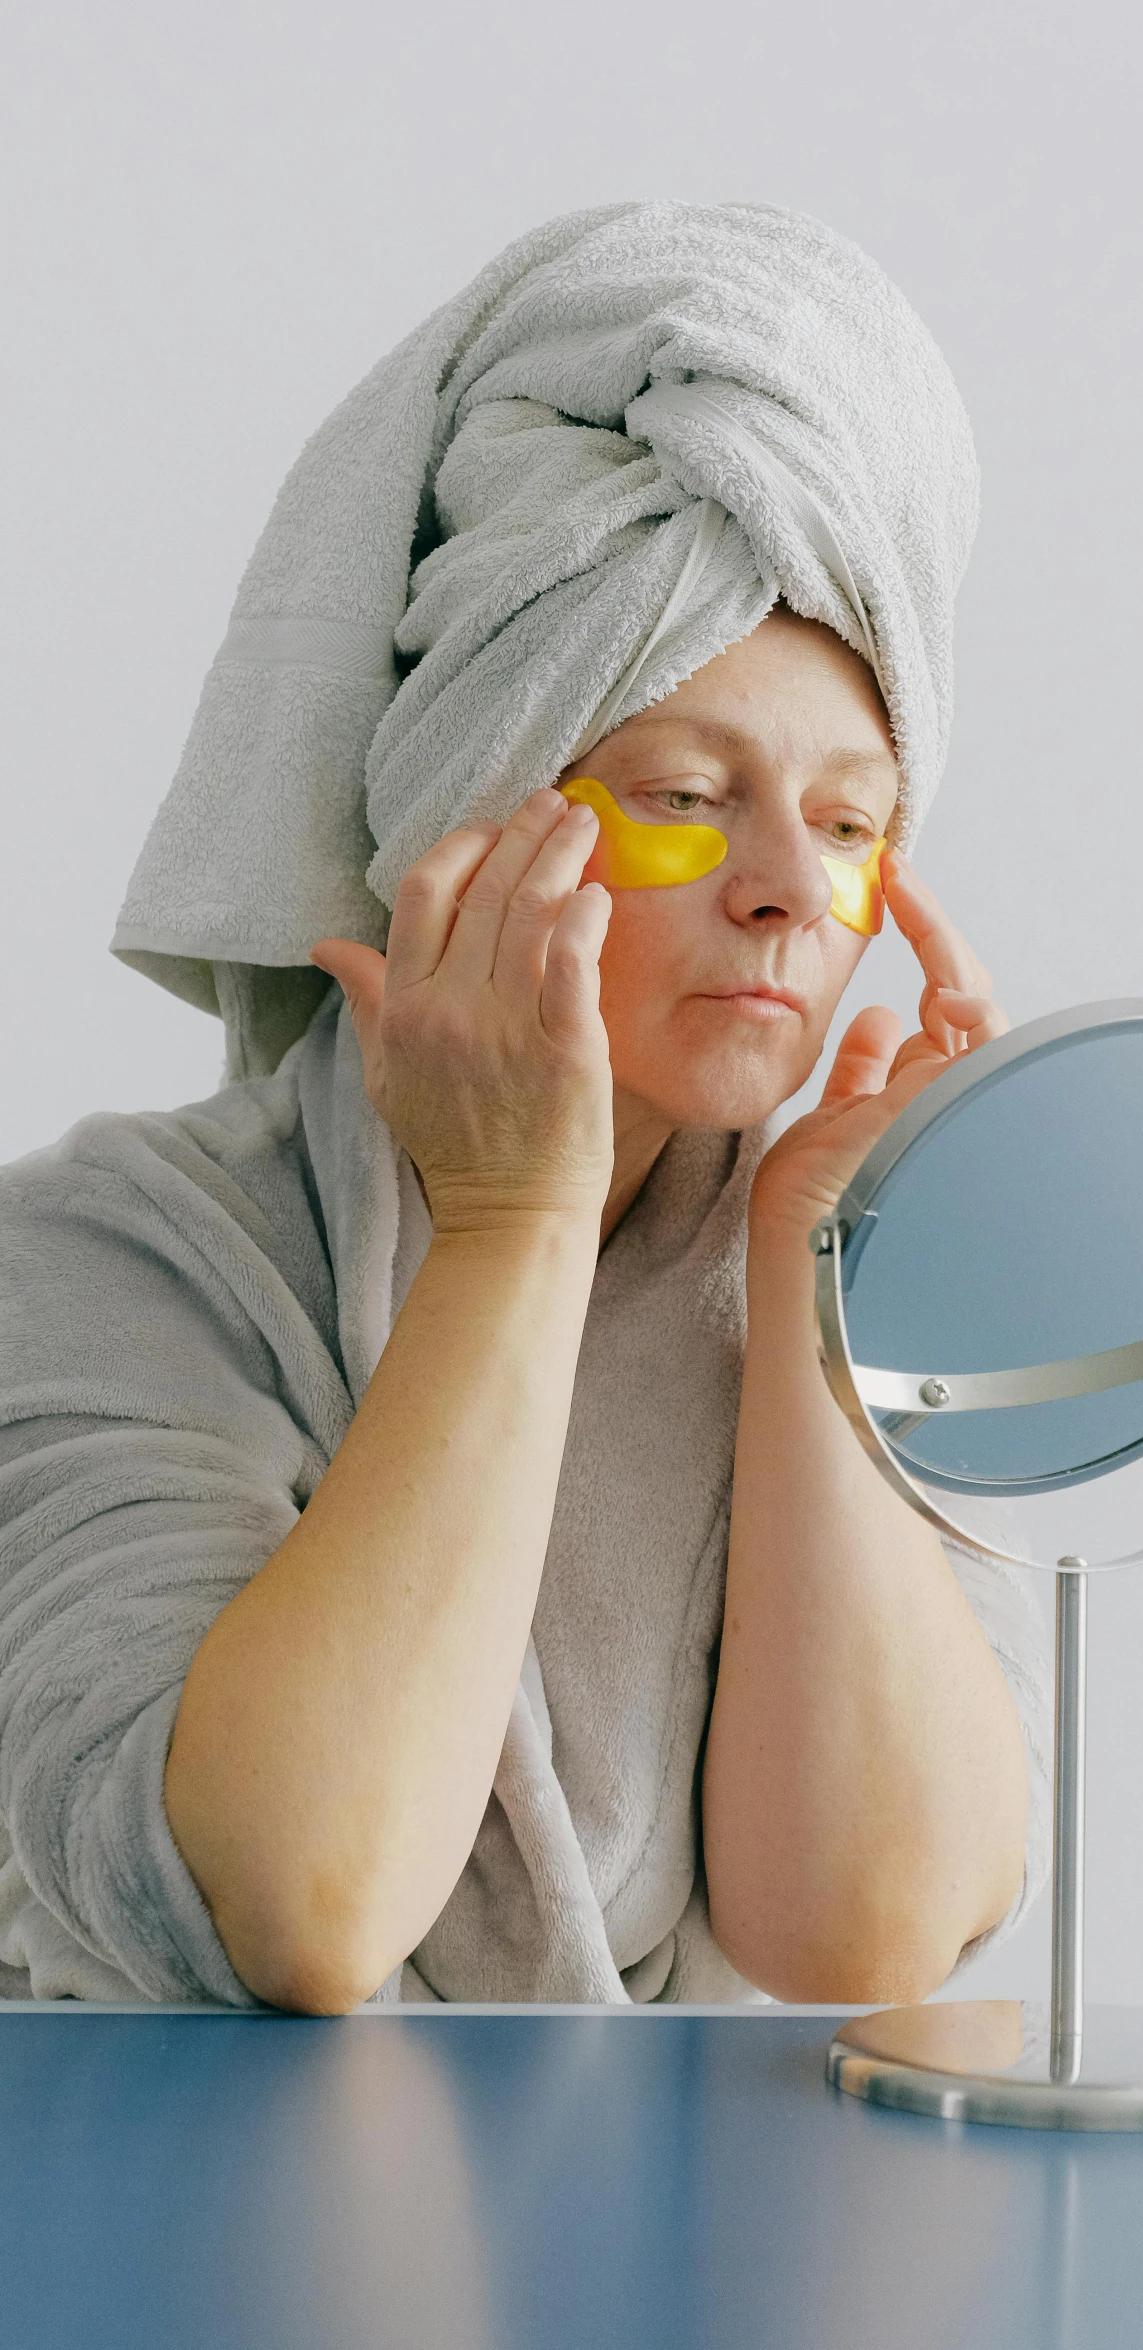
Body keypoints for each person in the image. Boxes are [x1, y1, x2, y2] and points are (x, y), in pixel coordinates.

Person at [0, 202, 1052, 2011]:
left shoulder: (861, 1248)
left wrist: (817, 1277)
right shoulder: (110, 1261)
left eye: (853, 817)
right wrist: (511, 1221)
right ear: (472, 828)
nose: (792, 888)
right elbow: (299, 1900)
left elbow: (865, 1928)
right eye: (686, 794)